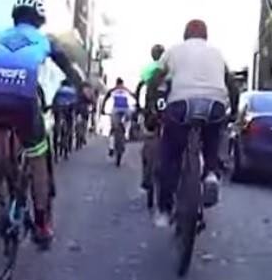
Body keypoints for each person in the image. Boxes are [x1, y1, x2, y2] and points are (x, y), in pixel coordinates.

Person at [0, 0, 82, 243]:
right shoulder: (44, 40)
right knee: (38, 156)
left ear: (15, 18)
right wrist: (82, 86)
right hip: (23, 101)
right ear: (39, 21)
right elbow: (67, 67)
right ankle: (42, 223)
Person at [149, 19, 239, 228]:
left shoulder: (174, 51)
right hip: (214, 104)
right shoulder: (217, 53)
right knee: (212, 139)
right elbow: (232, 86)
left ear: (185, 35)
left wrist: (151, 108)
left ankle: (164, 209)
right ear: (206, 36)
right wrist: (233, 112)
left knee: (170, 154)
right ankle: (210, 173)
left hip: (180, 105)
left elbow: (155, 79)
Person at [135, 44, 168, 192]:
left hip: (152, 108)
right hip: (171, 109)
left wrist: (139, 108)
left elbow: (140, 88)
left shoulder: (148, 69)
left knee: (149, 140)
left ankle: (147, 177)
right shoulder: (171, 68)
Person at [101, 78, 137, 156]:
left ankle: (111, 147)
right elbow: (134, 98)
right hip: (126, 110)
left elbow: (106, 100)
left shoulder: (112, 90)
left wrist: (103, 110)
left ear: (116, 83)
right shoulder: (127, 90)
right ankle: (126, 134)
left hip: (115, 110)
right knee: (128, 121)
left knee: (113, 129)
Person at [51, 79, 78, 153]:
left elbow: (54, 100)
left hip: (59, 109)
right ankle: (68, 147)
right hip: (68, 110)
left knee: (56, 127)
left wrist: (53, 110)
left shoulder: (59, 90)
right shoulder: (72, 91)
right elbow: (75, 103)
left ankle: (56, 143)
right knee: (69, 127)